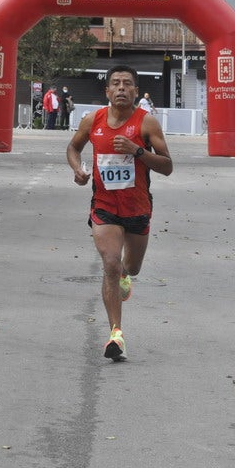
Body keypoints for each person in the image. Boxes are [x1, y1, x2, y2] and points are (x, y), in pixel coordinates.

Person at [66, 65, 173, 361]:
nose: (122, 88)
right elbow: (73, 148)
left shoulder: (146, 123)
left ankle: (127, 275)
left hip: (137, 208)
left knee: (130, 268)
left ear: (136, 91)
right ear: (108, 91)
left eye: (128, 84)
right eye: (116, 84)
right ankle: (116, 334)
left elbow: (167, 166)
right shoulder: (93, 119)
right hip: (104, 207)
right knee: (110, 263)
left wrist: (137, 150)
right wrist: (78, 169)